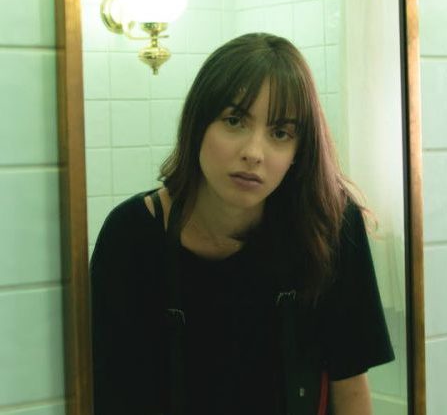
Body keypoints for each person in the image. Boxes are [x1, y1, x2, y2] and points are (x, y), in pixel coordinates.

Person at [90, 32, 394, 415]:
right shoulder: (132, 234)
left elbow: (349, 384)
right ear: (198, 124)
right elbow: (108, 389)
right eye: (234, 121)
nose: (253, 153)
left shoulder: (329, 223)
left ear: (299, 151)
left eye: (280, 133)